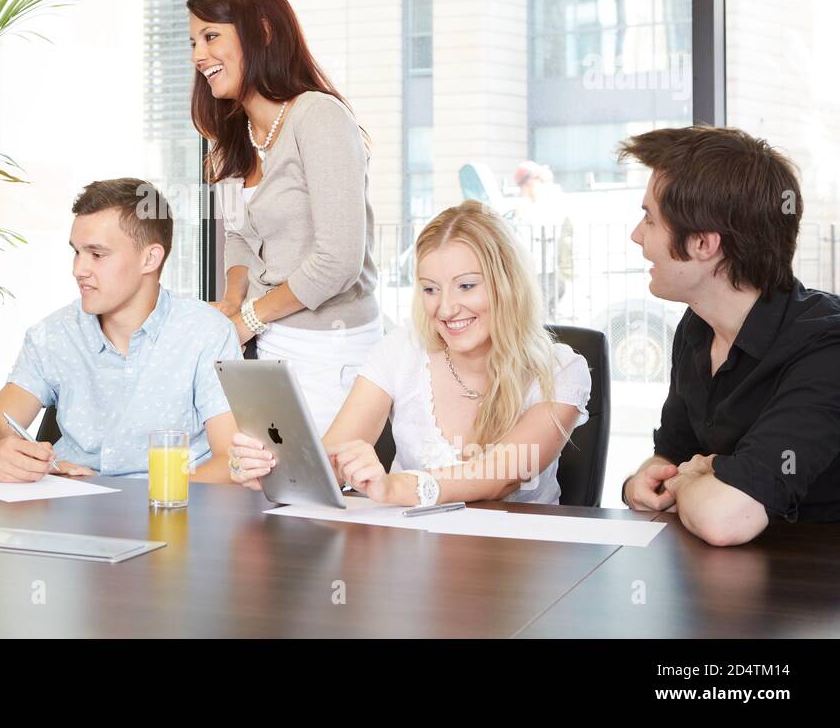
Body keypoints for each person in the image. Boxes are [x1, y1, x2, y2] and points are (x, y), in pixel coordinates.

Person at [228, 201, 592, 506]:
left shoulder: (562, 370)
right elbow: (333, 461)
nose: (447, 309)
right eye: (431, 289)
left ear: (507, 284)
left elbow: (501, 478)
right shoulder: (400, 349)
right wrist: (279, 471)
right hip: (410, 557)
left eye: (466, 286)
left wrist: (394, 486)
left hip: (518, 563)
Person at [619, 127, 840, 545]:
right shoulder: (697, 327)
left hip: (815, 591)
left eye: (649, 219)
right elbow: (674, 455)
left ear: (703, 243)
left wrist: (688, 483)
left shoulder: (826, 348)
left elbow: (726, 520)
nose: (637, 235)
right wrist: (644, 481)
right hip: (725, 585)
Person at [188, 0, 381, 435]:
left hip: (329, 349)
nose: (198, 56)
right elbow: (238, 235)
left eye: (211, 36)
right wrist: (233, 303)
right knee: (262, 485)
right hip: (268, 342)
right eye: (193, 41)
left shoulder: (318, 117)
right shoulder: (232, 138)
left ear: (264, 31)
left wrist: (249, 319)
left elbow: (338, 261)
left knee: (314, 495)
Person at [0, 178, 241, 482]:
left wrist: (134, 501)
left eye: (97, 254)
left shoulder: (206, 333)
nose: (78, 269)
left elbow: (231, 461)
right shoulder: (53, 335)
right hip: (71, 511)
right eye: (76, 252)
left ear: (150, 259)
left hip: (173, 514)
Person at [509, 159, 573, 318]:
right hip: (536, 274)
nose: (544, 184)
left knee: (541, 319)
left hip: (547, 273)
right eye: (541, 180)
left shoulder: (542, 206)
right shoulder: (523, 209)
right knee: (538, 318)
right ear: (529, 183)